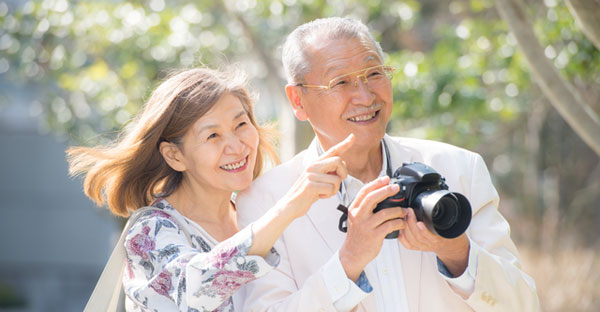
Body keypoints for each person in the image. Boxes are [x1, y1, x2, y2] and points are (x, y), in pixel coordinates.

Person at [235, 17, 539, 311]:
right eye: (341, 82)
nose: (365, 97)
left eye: (374, 74)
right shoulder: (265, 201)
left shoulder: (459, 167)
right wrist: (349, 262)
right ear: (298, 101)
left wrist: (457, 253)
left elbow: (524, 305)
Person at [66, 66, 355, 311]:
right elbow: (198, 286)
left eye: (241, 124)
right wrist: (290, 205)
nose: (236, 146)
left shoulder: (255, 211)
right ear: (174, 155)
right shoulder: (152, 232)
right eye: (213, 135)